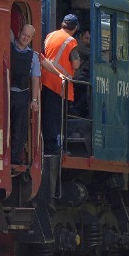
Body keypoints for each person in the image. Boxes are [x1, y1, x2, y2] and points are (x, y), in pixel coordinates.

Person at [9, 24, 63, 164]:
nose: (25, 38)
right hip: (7, 93)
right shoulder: (8, 48)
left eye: (28, 36)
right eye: (23, 34)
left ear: (32, 38)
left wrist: (34, 100)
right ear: (19, 33)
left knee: (19, 127)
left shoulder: (33, 56)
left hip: (22, 94)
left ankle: (15, 157)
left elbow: (35, 79)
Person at [41, 14, 81, 155]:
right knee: (55, 118)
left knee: (46, 115)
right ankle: (53, 147)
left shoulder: (50, 35)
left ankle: (45, 144)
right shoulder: (71, 41)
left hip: (44, 79)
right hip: (59, 83)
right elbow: (75, 64)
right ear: (75, 28)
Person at [69, 29, 90, 117]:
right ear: (80, 36)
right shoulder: (78, 44)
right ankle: (75, 110)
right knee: (84, 86)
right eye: (86, 38)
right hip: (75, 75)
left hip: (77, 74)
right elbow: (91, 54)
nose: (88, 41)